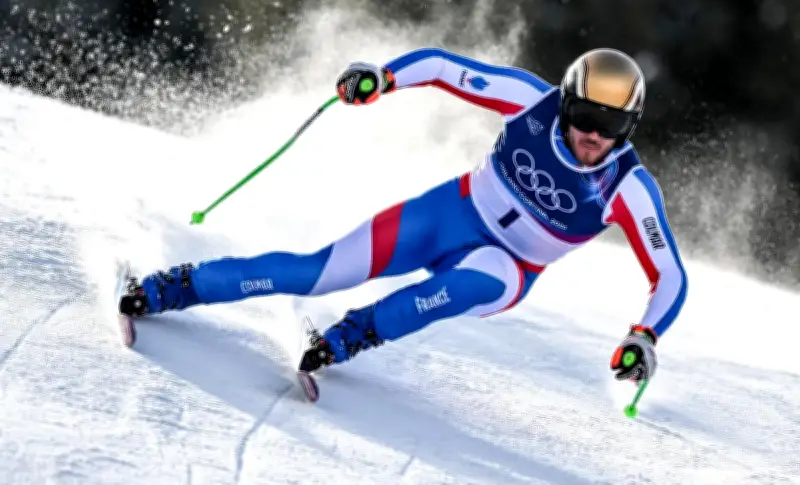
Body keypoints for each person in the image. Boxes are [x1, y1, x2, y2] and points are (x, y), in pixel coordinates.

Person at [119, 47, 688, 384]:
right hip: (450, 213)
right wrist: (383, 78)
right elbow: (440, 66)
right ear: (565, 101)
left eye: (612, 125)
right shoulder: (528, 100)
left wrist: (644, 337)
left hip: (508, 266)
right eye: (585, 115)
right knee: (316, 272)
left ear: (630, 127)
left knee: (461, 286)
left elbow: (669, 275)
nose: (593, 135)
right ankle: (172, 288)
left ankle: (349, 336)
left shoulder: (629, 187)